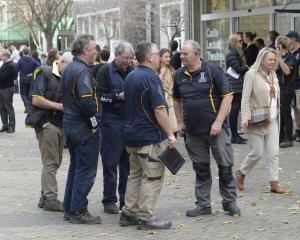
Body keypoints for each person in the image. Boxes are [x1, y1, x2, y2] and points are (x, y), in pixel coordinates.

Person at [173, 40, 240, 217]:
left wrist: (218, 122)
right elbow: (176, 100)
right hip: (193, 132)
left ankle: (230, 202)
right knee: (201, 169)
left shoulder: (212, 70)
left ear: (196, 54)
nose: (181, 56)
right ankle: (203, 205)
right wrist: (179, 122)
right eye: (181, 53)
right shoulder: (179, 74)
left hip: (217, 131)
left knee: (225, 167)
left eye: (185, 53)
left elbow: (228, 97)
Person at [119, 41, 176, 230]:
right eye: (157, 54)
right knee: (152, 176)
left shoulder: (131, 76)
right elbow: (159, 109)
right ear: (150, 57)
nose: (160, 57)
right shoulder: (151, 77)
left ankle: (129, 213)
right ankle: (145, 217)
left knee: (135, 174)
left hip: (131, 136)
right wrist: (170, 133)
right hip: (149, 137)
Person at [61, 34, 101, 224]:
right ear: (85, 50)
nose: (96, 52)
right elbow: (87, 101)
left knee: (76, 167)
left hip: (69, 124)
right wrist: (94, 124)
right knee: (86, 170)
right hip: (82, 127)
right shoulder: (83, 71)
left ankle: (69, 208)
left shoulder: (69, 68)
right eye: (94, 49)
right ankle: (79, 211)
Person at [236, 47, 285, 194]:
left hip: (272, 118)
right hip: (256, 119)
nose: (273, 61)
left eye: (274, 59)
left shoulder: (274, 75)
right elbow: (244, 99)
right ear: (262, 60)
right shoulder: (251, 75)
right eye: (270, 59)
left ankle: (274, 182)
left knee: (274, 152)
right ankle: (241, 173)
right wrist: (245, 117)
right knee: (257, 152)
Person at [31, 52, 73, 211]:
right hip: (47, 124)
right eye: (69, 68)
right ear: (61, 62)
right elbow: (36, 99)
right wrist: (59, 107)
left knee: (54, 162)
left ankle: (44, 196)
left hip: (61, 124)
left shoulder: (66, 75)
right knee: (51, 163)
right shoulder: (45, 73)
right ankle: (51, 198)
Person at [96, 41, 134, 214]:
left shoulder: (132, 71)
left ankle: (125, 200)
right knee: (110, 164)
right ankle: (109, 200)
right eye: (125, 58)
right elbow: (100, 96)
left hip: (129, 123)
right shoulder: (105, 71)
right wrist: (117, 97)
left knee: (127, 165)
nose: (128, 61)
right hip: (111, 123)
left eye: (130, 58)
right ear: (117, 55)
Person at [226, 34, 249, 144]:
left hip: (238, 84)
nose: (241, 43)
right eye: (239, 41)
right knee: (234, 110)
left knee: (236, 109)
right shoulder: (231, 54)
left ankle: (235, 135)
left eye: (241, 41)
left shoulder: (236, 52)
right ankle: (234, 136)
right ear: (234, 42)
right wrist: (247, 68)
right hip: (235, 85)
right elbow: (238, 69)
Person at [275, 36, 297, 148]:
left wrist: (278, 57)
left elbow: (287, 71)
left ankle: (288, 139)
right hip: (278, 88)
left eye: (276, 44)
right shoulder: (277, 57)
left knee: (286, 113)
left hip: (286, 89)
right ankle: (280, 137)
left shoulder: (290, 58)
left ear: (280, 46)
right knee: (280, 114)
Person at [158, 48, 178, 136]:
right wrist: (161, 74)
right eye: (166, 57)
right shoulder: (156, 71)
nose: (168, 59)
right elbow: (155, 85)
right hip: (162, 101)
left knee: (174, 129)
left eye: (169, 57)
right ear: (160, 58)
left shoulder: (172, 70)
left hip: (172, 101)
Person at [286, 30, 300, 142]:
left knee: (299, 107)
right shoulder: (290, 52)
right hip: (292, 84)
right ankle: (298, 130)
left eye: (288, 38)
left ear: (294, 39)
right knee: (294, 108)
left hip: (299, 84)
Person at [17, 47, 40, 112]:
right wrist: (33, 73)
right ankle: (27, 107)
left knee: (23, 94)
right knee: (28, 94)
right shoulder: (33, 60)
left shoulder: (20, 60)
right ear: (29, 52)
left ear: (23, 52)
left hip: (23, 79)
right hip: (30, 79)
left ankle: (27, 106)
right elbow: (39, 67)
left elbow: (17, 70)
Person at [0, 49, 17, 133]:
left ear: (6, 56)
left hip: (7, 89)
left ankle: (11, 126)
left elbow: (3, 77)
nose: (0, 57)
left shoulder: (10, 65)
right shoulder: (5, 64)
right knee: (2, 108)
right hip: (2, 89)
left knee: (8, 108)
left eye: (1, 55)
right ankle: (5, 125)